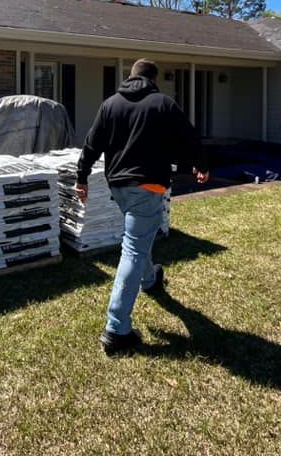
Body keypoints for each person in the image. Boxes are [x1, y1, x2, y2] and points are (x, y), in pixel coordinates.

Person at [75, 58, 209, 356]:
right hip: (148, 186)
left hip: (119, 187)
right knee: (134, 248)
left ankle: (150, 279)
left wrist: (81, 177)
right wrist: (201, 164)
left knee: (138, 237)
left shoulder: (111, 104)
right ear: (153, 79)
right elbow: (188, 137)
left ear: (131, 77)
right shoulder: (163, 103)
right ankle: (116, 328)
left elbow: (91, 143)